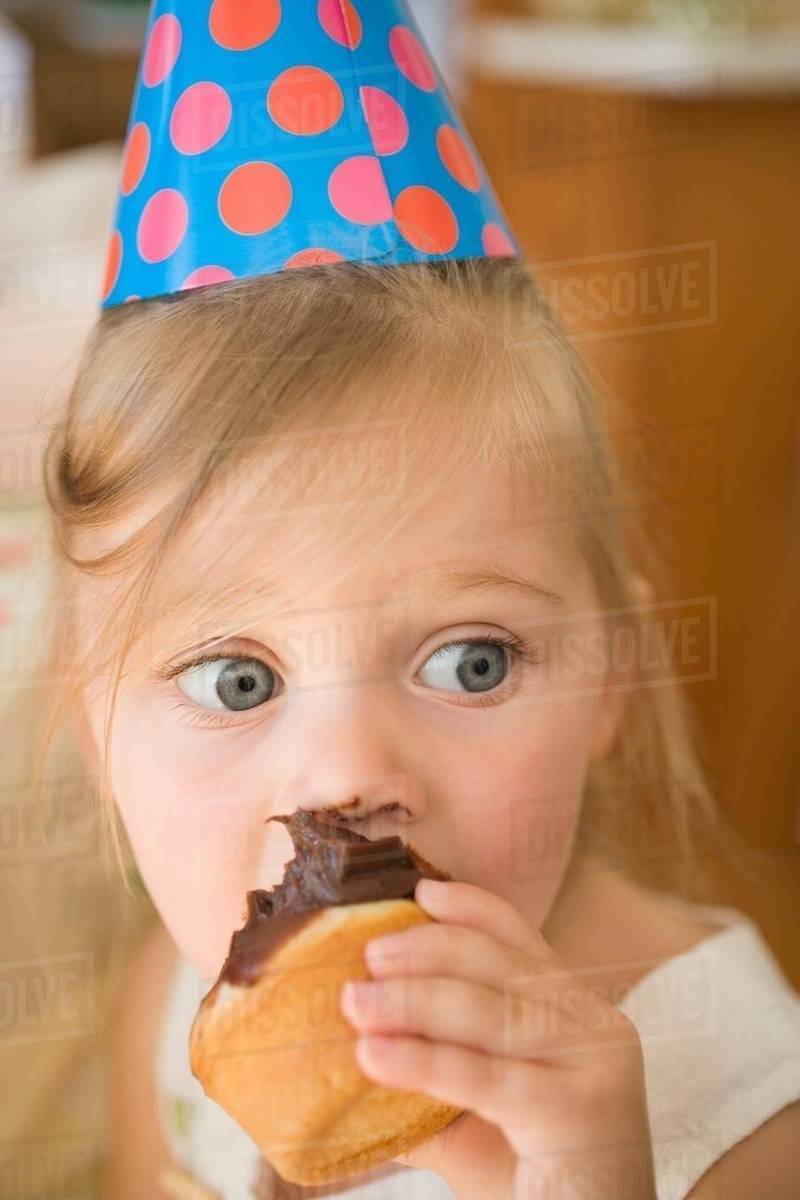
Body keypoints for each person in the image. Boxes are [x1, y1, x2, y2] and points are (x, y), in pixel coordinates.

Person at [27, 2, 800, 1199]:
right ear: (98, 742)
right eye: (238, 681)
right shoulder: (171, 1017)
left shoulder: (741, 1095)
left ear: (613, 674)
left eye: (470, 662)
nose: (346, 777)